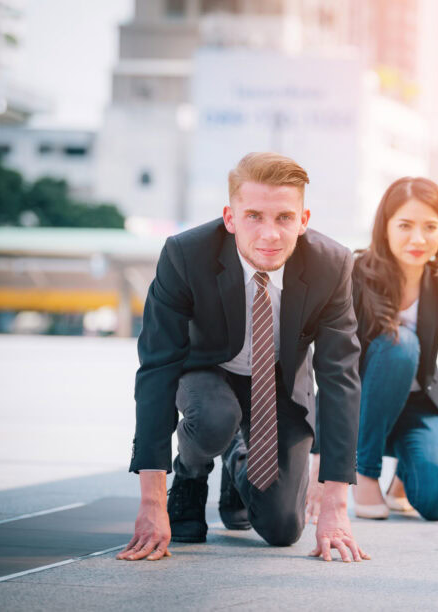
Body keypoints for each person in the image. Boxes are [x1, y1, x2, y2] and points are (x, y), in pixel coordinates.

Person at [117, 152, 369, 563]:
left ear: (304, 220)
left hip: (281, 382)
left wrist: (335, 506)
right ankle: (193, 475)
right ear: (230, 217)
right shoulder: (185, 255)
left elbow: (341, 378)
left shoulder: (333, 264)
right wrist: (151, 500)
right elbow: (157, 368)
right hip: (209, 371)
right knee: (215, 419)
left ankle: (239, 463)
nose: (270, 233)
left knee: (283, 529)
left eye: (284, 218)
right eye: (254, 216)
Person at [307, 177, 438, 528]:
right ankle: (365, 471)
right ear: (385, 228)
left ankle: (402, 477)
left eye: (430, 227)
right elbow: (335, 365)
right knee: (400, 344)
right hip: (363, 408)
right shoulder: (355, 276)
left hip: (418, 404)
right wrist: (321, 452)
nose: (418, 239)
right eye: (405, 225)